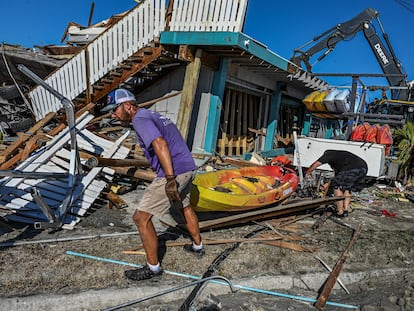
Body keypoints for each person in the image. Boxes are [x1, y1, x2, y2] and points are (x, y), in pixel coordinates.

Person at [105, 88, 204, 281]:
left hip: (174, 173)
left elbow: (160, 143)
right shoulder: (151, 114)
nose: (113, 115)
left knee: (141, 218)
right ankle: (197, 246)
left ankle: (153, 268)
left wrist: (169, 179)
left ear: (127, 106)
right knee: (184, 206)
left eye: (115, 109)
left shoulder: (139, 119)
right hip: (188, 167)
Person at [305, 150, 368, 218]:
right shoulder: (340, 159)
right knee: (347, 188)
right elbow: (337, 178)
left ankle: (340, 212)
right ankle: (345, 210)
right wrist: (326, 185)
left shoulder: (328, 155)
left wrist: (308, 172)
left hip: (353, 169)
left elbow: (316, 164)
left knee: (336, 187)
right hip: (363, 168)